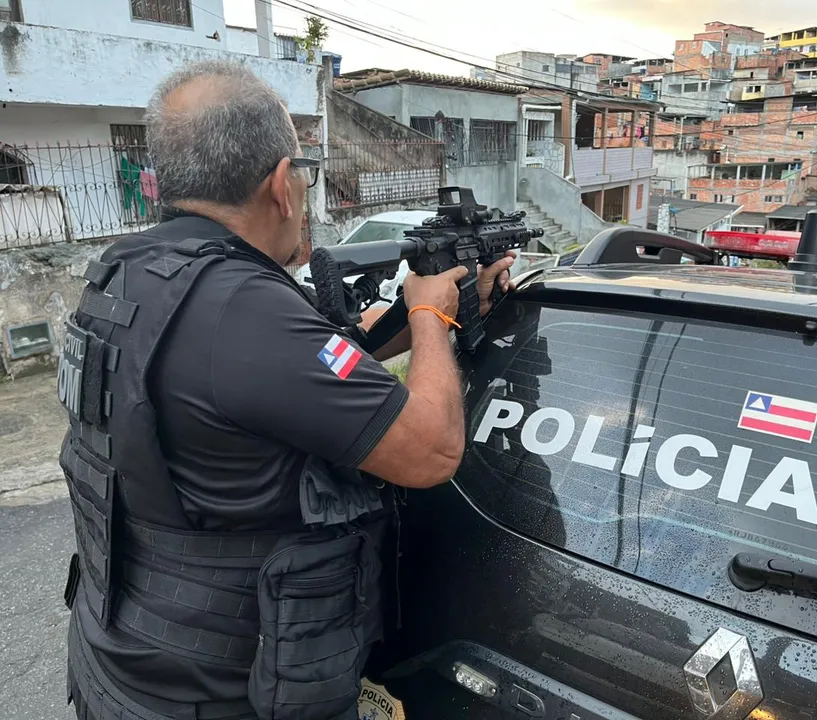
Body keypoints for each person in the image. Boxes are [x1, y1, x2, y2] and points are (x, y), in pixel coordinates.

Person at [58, 59, 514, 720]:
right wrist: (429, 315)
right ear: (280, 184)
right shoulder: (242, 310)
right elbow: (432, 452)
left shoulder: (130, 274)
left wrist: (432, 311)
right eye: (303, 173)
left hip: (121, 661)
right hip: (219, 693)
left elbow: (306, 365)